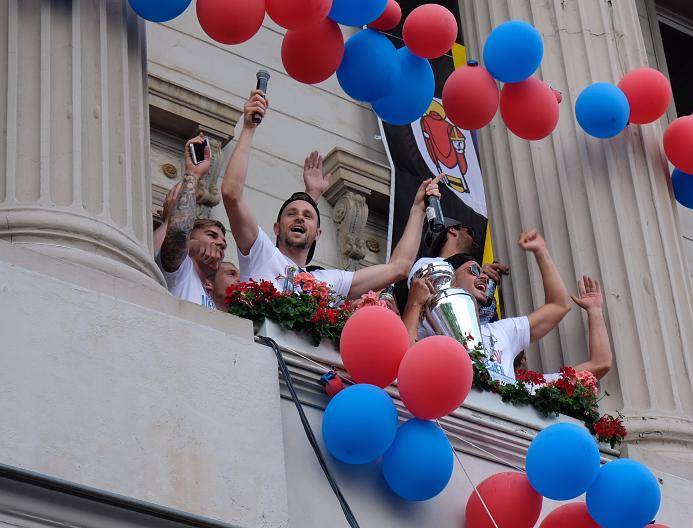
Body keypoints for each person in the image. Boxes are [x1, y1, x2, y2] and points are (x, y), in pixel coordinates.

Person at [220, 90, 441, 298]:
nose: (299, 218)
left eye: (307, 216)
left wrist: (417, 209)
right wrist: (248, 128)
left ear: (318, 234)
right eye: (291, 214)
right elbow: (231, 193)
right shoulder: (261, 253)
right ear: (276, 228)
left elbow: (399, 267)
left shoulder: (329, 282)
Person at [403, 230, 569, 383]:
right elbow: (405, 365)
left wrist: (541, 251)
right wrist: (414, 303)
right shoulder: (430, 326)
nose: (483, 277)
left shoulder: (501, 332)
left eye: (484, 274)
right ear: (451, 279)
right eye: (474, 271)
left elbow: (559, 305)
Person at [156, 135, 228, 309]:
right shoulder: (181, 271)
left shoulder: (211, 294)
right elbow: (179, 233)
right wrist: (194, 174)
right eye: (212, 235)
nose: (220, 243)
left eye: (224, 244)